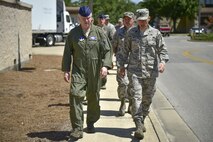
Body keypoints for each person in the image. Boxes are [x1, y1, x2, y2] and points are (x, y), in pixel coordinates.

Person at [61, 6, 112, 141]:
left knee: (93, 97)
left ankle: (90, 122)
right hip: (79, 70)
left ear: (92, 18)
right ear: (79, 18)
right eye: (84, 18)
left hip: (95, 71)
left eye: (89, 18)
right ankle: (77, 128)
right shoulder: (73, 34)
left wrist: (106, 66)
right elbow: (67, 53)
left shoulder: (99, 32)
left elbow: (107, 50)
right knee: (75, 95)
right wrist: (66, 70)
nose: (87, 21)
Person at [117, 8, 169, 140]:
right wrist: (121, 66)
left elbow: (162, 49)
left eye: (144, 20)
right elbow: (124, 51)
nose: (141, 23)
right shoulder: (131, 33)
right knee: (136, 97)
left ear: (149, 19)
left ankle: (143, 118)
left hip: (151, 72)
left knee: (147, 98)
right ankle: (138, 124)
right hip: (134, 71)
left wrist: (162, 62)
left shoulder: (156, 33)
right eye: (139, 20)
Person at [112, 12, 135, 116]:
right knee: (123, 84)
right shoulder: (118, 32)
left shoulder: (137, 32)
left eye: (129, 19)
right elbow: (114, 46)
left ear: (133, 20)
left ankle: (130, 104)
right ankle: (122, 102)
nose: (127, 21)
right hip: (122, 63)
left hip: (134, 64)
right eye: (125, 19)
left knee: (132, 85)